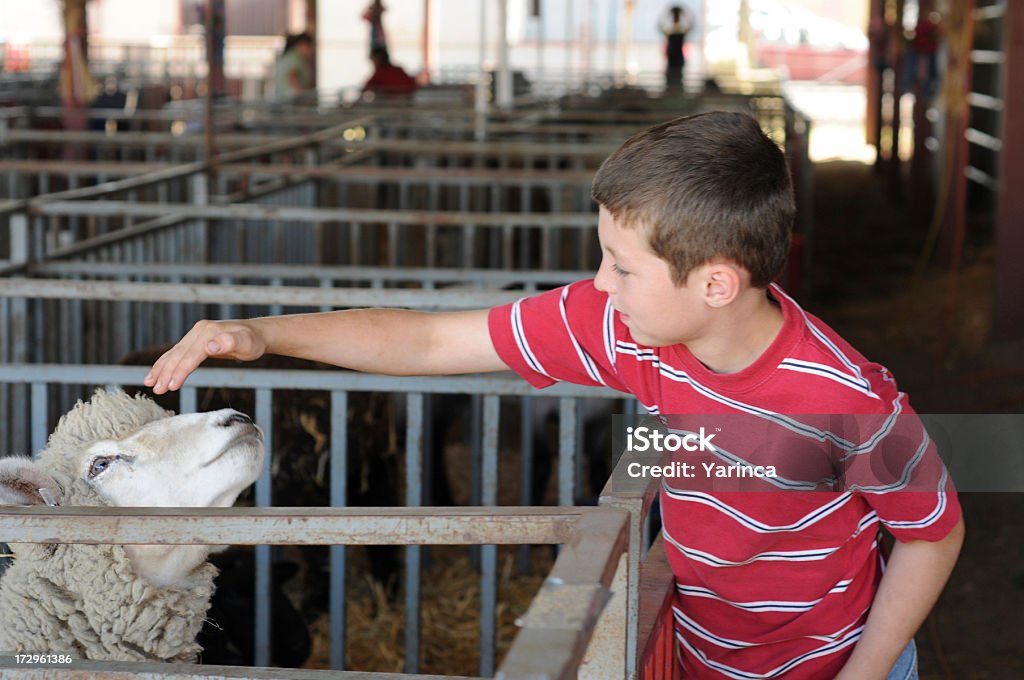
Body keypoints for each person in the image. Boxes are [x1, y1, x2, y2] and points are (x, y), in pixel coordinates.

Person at [144, 111, 963, 678]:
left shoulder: (845, 395)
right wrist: (263, 334)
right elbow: (432, 338)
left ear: (715, 282)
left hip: (837, 665)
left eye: (622, 264)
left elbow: (932, 532)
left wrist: (861, 676)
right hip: (702, 654)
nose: (599, 282)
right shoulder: (623, 326)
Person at [659, 4, 695, 92]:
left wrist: (685, 15)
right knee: (670, 81)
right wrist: (666, 15)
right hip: (672, 60)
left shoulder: (680, 32)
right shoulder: (671, 32)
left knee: (678, 80)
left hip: (678, 60)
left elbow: (692, 26)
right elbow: (660, 27)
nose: (676, 17)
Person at [274, 32, 314, 101]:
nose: (311, 50)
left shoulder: (290, 56)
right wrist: (304, 97)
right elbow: (292, 77)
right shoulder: (295, 57)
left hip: (284, 100)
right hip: (291, 101)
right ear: (302, 44)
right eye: (309, 47)